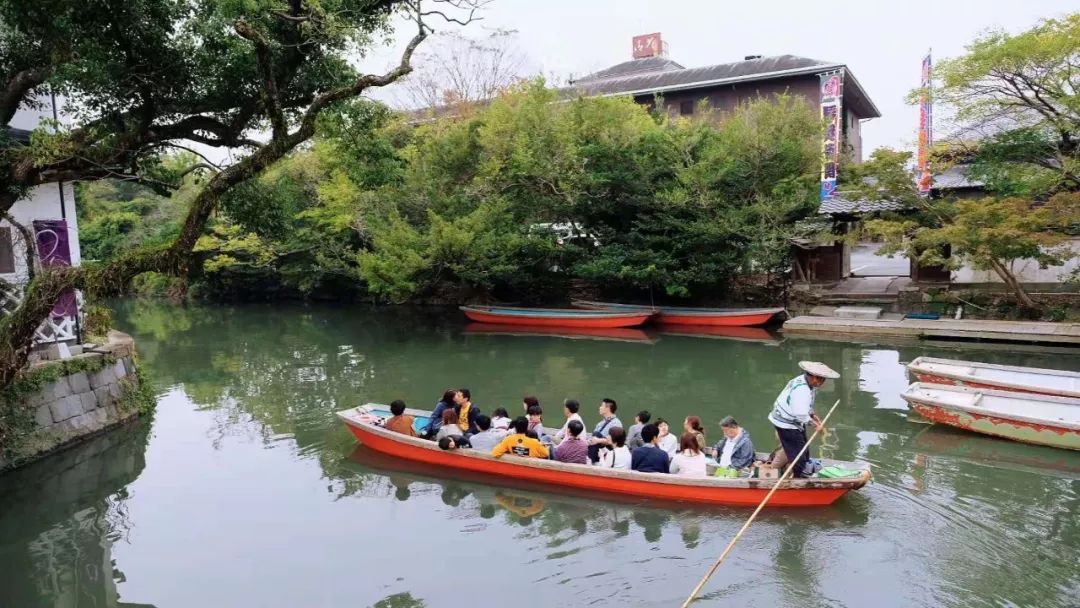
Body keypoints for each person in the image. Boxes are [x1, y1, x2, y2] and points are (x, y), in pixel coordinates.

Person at [768, 361, 839, 478]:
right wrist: (815, 425)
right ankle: (796, 478)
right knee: (799, 457)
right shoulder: (802, 390)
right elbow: (800, 414)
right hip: (786, 423)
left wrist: (812, 414)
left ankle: (787, 467)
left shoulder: (804, 380)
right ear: (815, 378)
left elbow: (803, 406)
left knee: (803, 449)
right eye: (821, 379)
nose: (822, 382)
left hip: (789, 420)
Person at [588, 398, 623, 463]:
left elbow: (615, 441)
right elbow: (593, 438)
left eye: (602, 406)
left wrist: (598, 440)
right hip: (597, 449)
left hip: (608, 451)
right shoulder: (600, 423)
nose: (599, 407)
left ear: (608, 408)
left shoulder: (616, 423)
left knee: (596, 434)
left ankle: (590, 462)